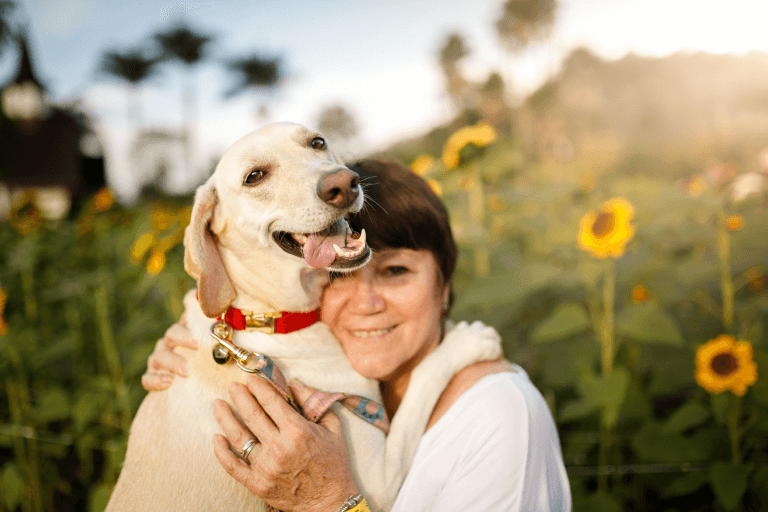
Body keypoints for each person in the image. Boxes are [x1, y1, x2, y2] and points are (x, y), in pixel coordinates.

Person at [143, 159, 572, 512]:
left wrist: (331, 502)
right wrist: (199, 344)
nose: (365, 303)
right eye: (337, 275)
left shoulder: (499, 417)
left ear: (444, 286)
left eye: (396, 271)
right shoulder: (318, 381)